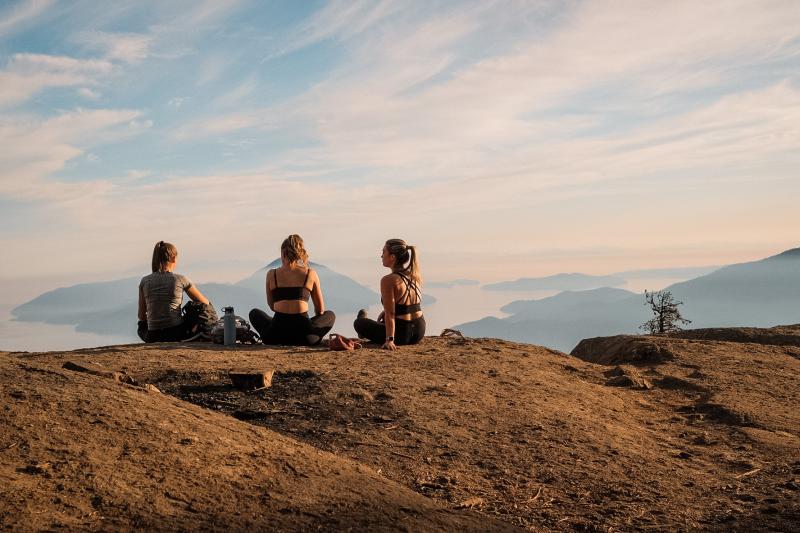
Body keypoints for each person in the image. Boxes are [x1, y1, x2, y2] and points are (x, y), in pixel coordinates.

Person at [249, 234, 335, 345]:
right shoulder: (310, 274)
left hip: (274, 336)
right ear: (301, 254)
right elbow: (320, 310)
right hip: (305, 338)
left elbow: (272, 306)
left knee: (254, 313)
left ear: (282, 254)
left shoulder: (271, 274)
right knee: (330, 315)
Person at [354, 238, 425, 349]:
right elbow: (409, 306)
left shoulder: (388, 280)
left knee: (359, 323)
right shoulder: (413, 276)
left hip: (401, 335)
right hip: (419, 332)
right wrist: (386, 311)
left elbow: (390, 314)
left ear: (392, 257)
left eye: (384, 252)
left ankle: (362, 321)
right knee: (382, 320)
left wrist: (390, 339)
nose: (381, 256)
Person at [138, 241, 210, 342]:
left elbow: (141, 316)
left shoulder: (144, 281)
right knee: (205, 310)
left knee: (141, 324)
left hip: (152, 336)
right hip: (175, 333)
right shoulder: (180, 279)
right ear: (173, 258)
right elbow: (205, 303)